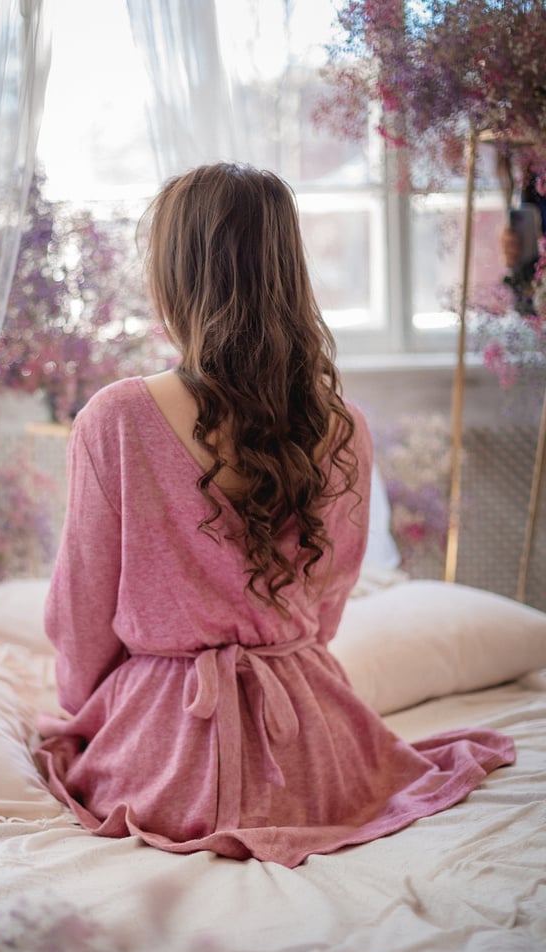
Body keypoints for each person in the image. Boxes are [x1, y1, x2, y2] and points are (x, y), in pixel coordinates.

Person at [35, 162, 515, 867]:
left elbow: (81, 608)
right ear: (288, 273)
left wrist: (87, 715)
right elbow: (327, 605)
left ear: (176, 276)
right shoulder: (342, 427)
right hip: (312, 755)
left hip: (161, 750)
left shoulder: (116, 419)